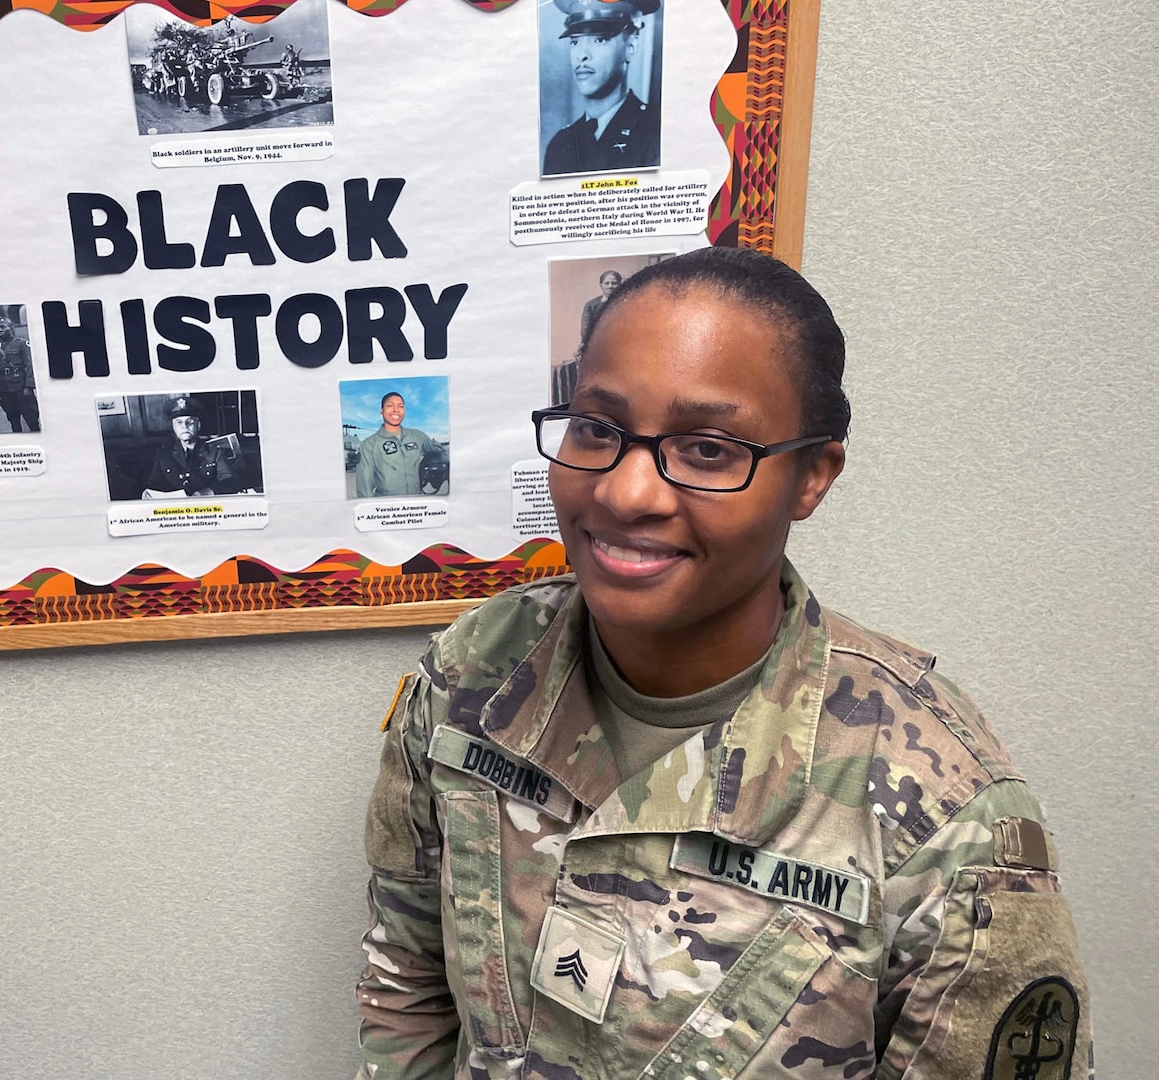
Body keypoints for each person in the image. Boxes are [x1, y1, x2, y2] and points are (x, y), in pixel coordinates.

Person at [356, 246, 1091, 1079]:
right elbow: (407, 980)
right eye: (598, 429)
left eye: (707, 448)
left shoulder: (946, 818)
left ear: (812, 476)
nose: (628, 492)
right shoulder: (469, 680)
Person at [542, 0, 661, 177]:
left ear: (631, 46)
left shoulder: (655, 134)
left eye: (599, 39)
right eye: (574, 41)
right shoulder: (560, 144)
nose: (582, 55)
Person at [142, 395, 242, 499]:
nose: (184, 426)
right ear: (173, 427)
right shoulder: (164, 453)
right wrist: (149, 493)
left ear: (198, 425)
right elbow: (154, 483)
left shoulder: (214, 451)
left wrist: (208, 492)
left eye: (190, 421)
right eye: (179, 422)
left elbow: (230, 481)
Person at [354, 392, 447, 498]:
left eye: (400, 406)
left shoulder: (418, 436)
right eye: (390, 405)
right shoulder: (369, 444)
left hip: (416, 502)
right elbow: (364, 487)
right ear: (381, 410)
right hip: (386, 507)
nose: (396, 410)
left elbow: (441, 453)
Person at [0, 316, 41, 433]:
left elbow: (29, 365)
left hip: (21, 388)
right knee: (13, 420)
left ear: (10, 328)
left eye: (2, 327)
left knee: (31, 419)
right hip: (5, 390)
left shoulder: (22, 343)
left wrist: (28, 386)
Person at [579, 268, 623, 344]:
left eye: (614, 283)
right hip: (599, 345)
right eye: (607, 283)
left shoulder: (626, 302)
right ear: (601, 285)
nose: (610, 286)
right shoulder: (591, 305)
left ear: (620, 284)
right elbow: (585, 332)